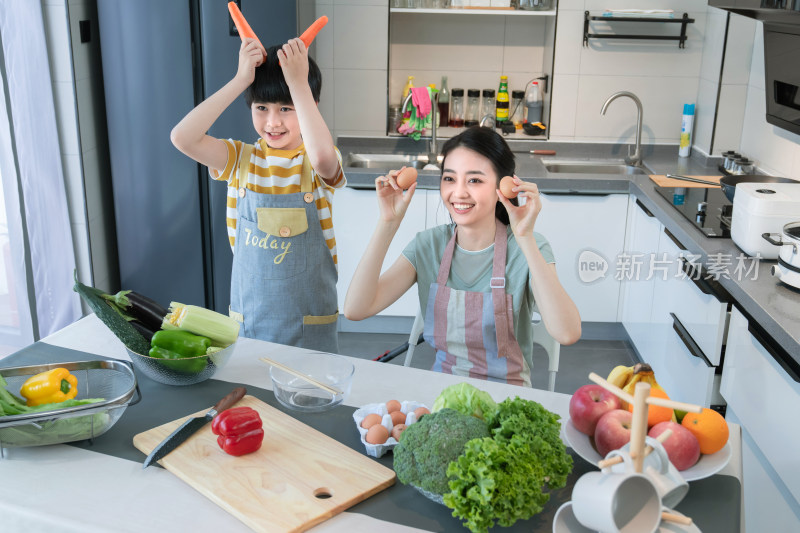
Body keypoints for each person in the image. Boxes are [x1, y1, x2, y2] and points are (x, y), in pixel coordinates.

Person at [344, 127, 580, 387]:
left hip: (509, 400)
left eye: (475, 180)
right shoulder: (429, 245)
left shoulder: (526, 247)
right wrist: (388, 222)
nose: (458, 193)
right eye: (449, 179)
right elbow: (356, 309)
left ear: (505, 187)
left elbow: (567, 333)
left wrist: (525, 236)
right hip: (445, 395)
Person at [170, 37, 345, 352]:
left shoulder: (316, 160)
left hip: (310, 330)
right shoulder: (240, 159)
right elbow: (183, 137)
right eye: (261, 107)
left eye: (286, 108)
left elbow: (322, 159)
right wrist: (240, 80)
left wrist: (298, 83)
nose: (272, 121)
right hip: (251, 324)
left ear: (309, 107)